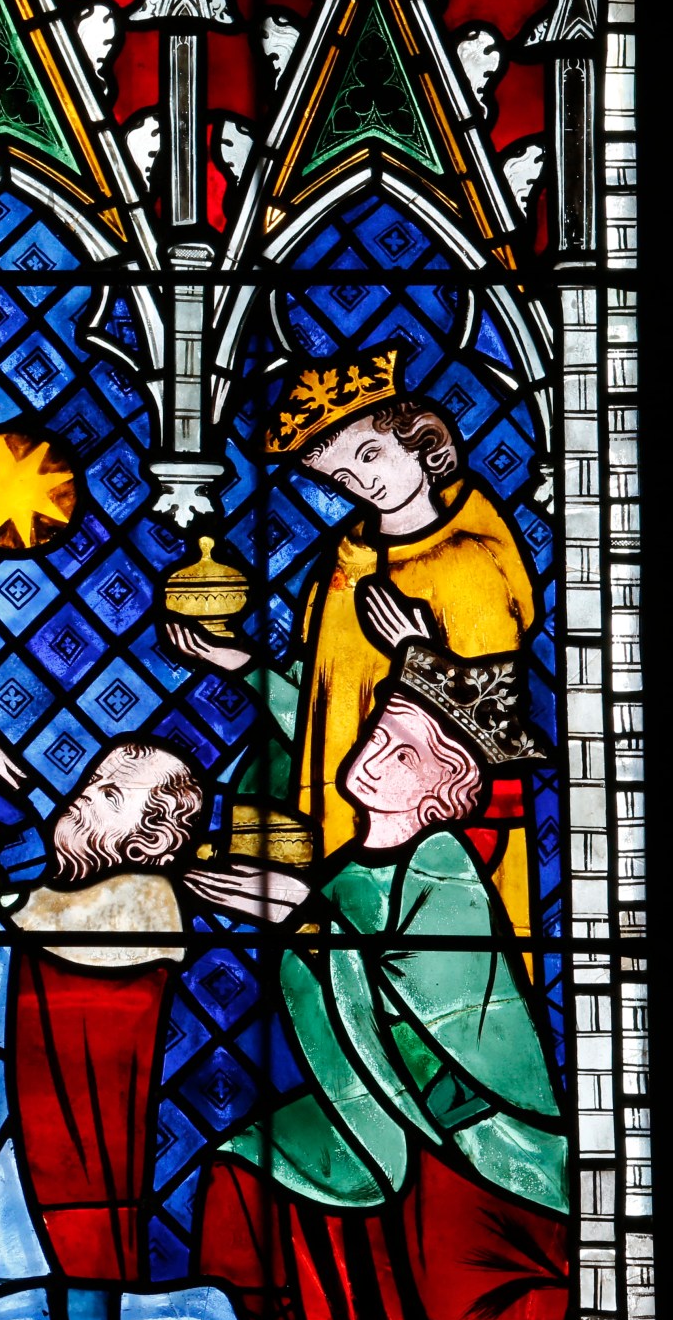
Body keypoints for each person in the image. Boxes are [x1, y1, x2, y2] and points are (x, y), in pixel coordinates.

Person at [196, 641, 568, 1320]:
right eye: (378, 732)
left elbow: (432, 1016)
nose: (372, 754)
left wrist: (304, 919)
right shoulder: (343, 864)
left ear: (444, 788)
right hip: (368, 1105)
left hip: (472, 1140)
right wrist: (246, 665)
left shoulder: (441, 862)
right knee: (242, 1163)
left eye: (405, 753)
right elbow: (312, 728)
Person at [164, 346, 539, 936]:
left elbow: (498, 729)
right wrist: (238, 661)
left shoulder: (469, 565)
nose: (366, 481)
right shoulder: (343, 567)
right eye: (343, 476)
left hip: (441, 842)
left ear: (424, 442)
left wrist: (416, 657)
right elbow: (320, 715)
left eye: (372, 454)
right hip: (343, 818)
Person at [0, 738, 238, 1320]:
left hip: (63, 1143)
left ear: (153, 839)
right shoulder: (44, 902)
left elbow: (60, 930)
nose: (84, 799)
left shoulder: (150, 897)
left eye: (111, 794)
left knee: (49, 1283)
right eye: (91, 783)